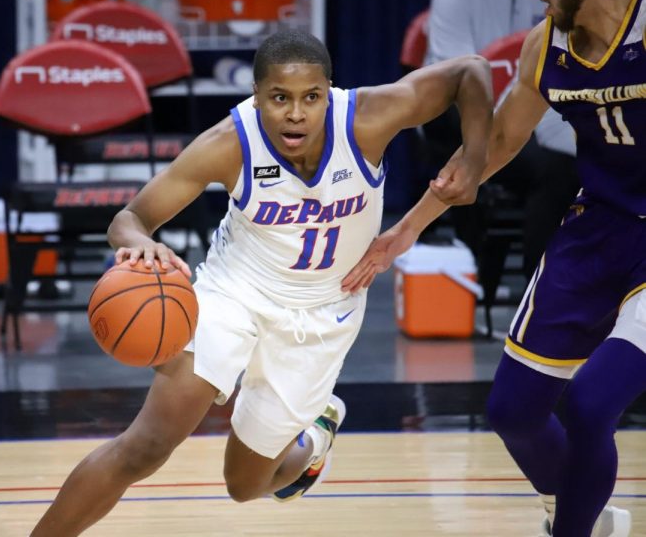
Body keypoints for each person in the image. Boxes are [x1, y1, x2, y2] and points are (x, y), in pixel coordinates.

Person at [29, 30, 494, 535]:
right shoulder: (228, 144)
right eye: (279, 98)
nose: (296, 113)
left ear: (329, 92)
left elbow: (471, 71)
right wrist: (141, 242)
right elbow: (131, 216)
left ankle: (316, 433)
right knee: (144, 446)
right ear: (256, 97)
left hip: (323, 313)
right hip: (233, 295)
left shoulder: (366, 119)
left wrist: (472, 157)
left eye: (310, 98)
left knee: (245, 485)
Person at [343, 0, 646, 535]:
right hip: (598, 227)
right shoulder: (545, 46)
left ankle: (574, 527)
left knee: (589, 407)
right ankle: (581, 510)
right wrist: (407, 229)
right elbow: (499, 144)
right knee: (513, 411)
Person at [423, 0, 580, 282]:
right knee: (554, 168)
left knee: (578, 155)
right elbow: (457, 80)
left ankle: (560, 284)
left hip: (546, 112)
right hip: (469, 113)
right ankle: (538, 287)